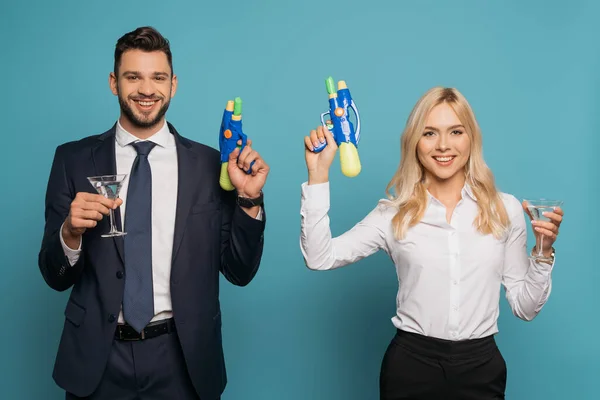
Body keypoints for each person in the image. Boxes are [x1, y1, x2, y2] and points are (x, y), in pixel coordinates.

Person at [38, 26, 269, 400]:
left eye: (158, 77)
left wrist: (248, 201)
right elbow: (54, 275)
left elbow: (239, 272)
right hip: (97, 359)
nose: (147, 90)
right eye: (133, 77)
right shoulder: (73, 160)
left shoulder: (213, 166)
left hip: (183, 359)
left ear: (173, 84)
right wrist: (69, 234)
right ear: (114, 83)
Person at [299, 87, 564, 399]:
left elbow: (526, 307)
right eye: (429, 133)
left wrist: (543, 251)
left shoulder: (504, 209)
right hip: (411, 367)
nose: (443, 145)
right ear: (415, 142)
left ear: (471, 139)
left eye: (455, 131)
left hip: (482, 368)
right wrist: (318, 175)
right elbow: (319, 257)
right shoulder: (392, 214)